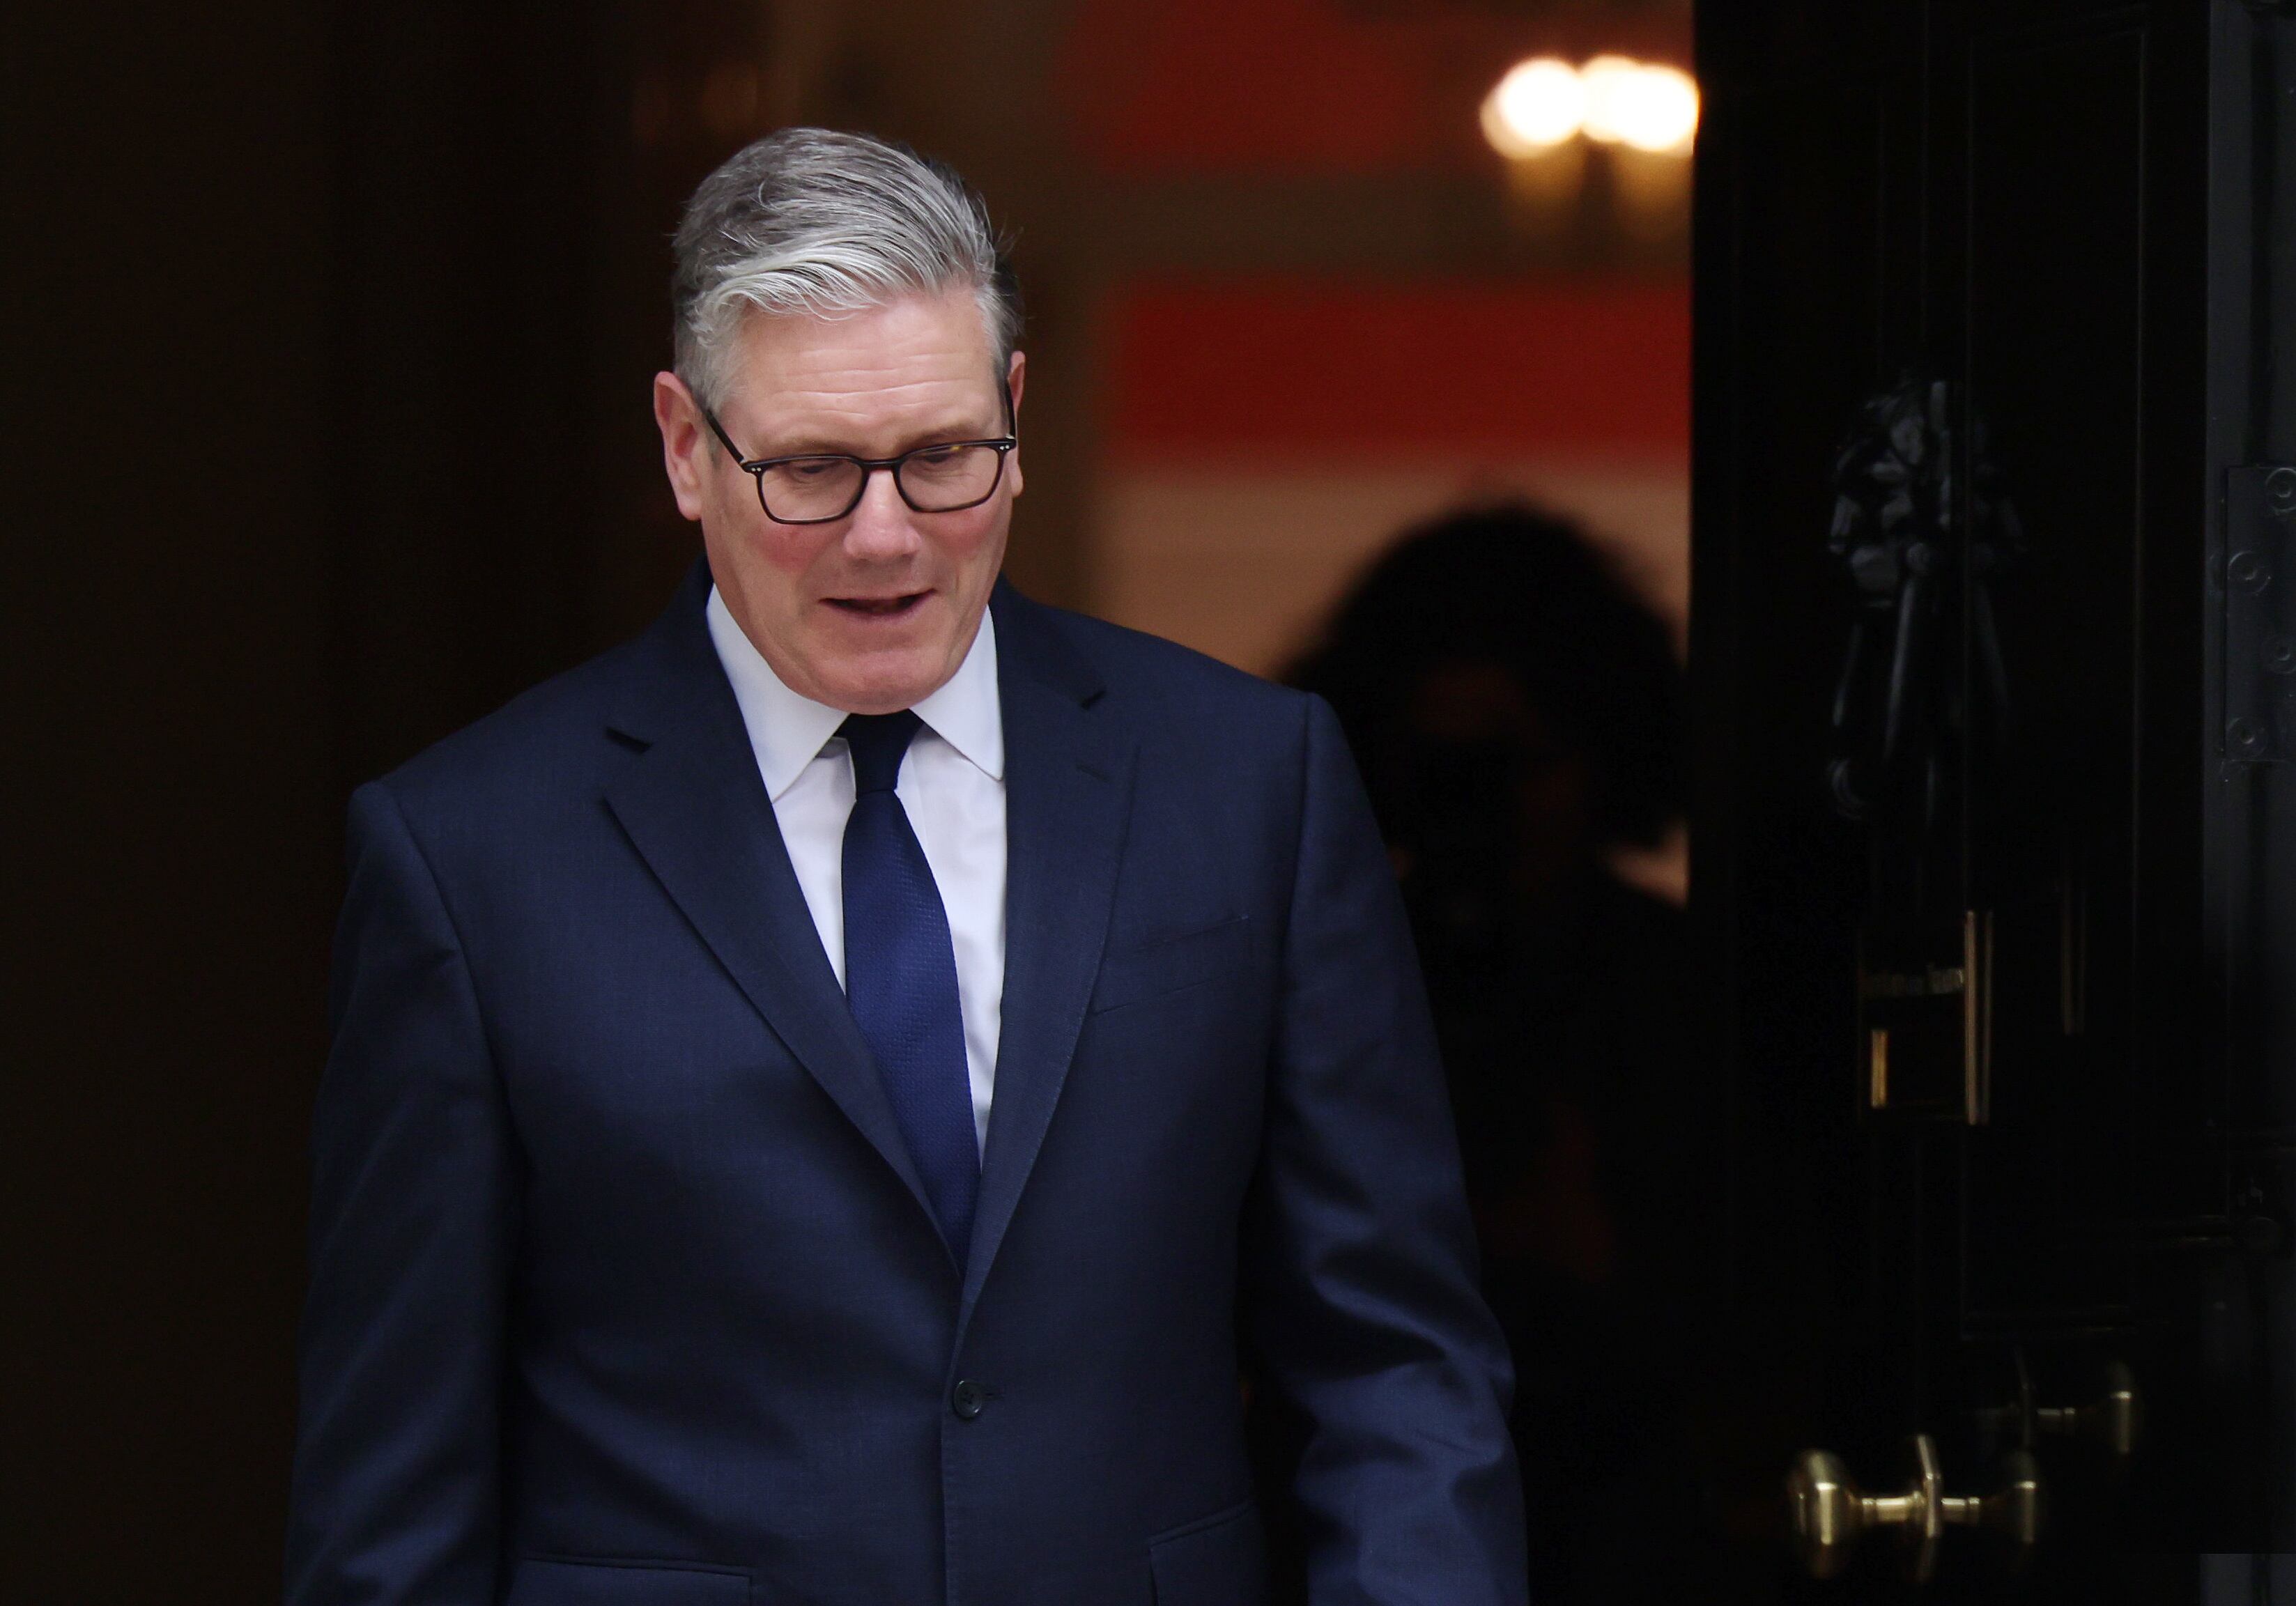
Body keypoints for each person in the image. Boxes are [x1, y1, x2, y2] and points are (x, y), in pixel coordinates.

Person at [284, 129, 1523, 1605]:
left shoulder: (1246, 784)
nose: (886, 539)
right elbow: (396, 1497)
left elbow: (1393, 1362)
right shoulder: (471, 855)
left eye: (941, 458)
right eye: (810, 469)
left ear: (1013, 409)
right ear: (685, 447)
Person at [1294, 507, 1711, 1605]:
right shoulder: (1311, 984)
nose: (1477, 815)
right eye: (1444, 770)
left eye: (1515, 764)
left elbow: (1759, 1330)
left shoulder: (1684, 991)